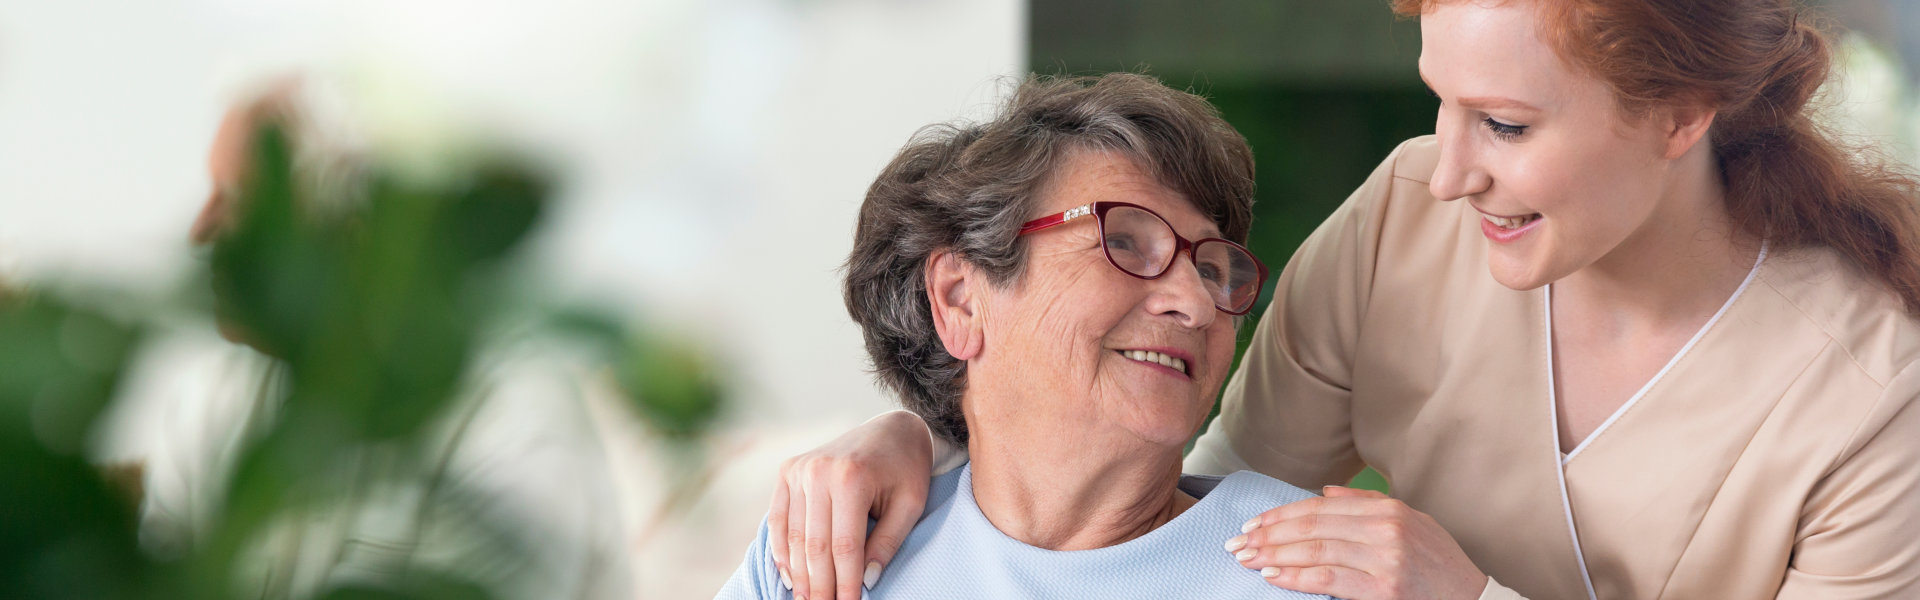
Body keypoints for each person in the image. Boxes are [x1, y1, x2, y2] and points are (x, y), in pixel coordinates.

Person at [764, 1, 1920, 599]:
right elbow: (1170, 501)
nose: (1449, 166)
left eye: (1507, 125)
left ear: (1681, 116)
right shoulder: (1410, 218)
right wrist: (927, 429)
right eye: (1441, 104)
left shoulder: (1870, 401)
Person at [718, 72, 1332, 599]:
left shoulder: (1315, 572)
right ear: (960, 299)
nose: (1196, 304)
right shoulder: (821, 558)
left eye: (1211, 270)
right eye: (1123, 242)